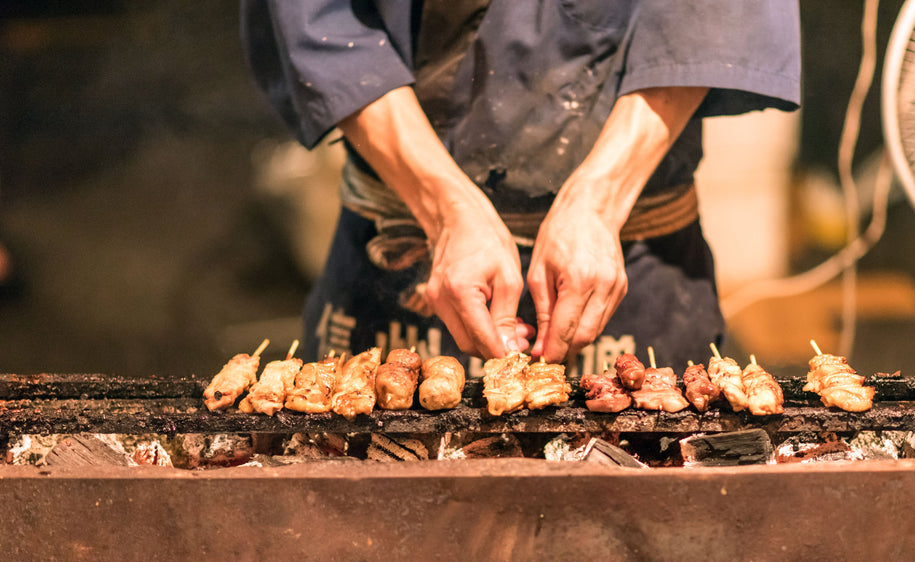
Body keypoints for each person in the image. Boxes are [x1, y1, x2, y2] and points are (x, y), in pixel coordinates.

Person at [240, 1, 800, 374]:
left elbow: (712, 16)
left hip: (636, 262)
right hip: (398, 252)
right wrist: (444, 207)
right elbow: (321, 20)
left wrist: (599, 200)